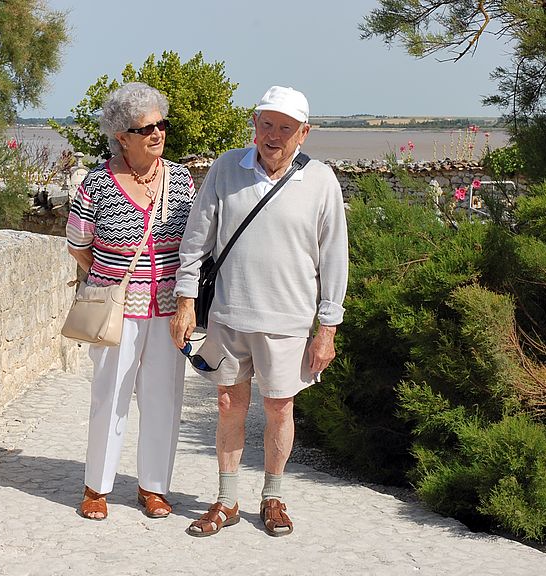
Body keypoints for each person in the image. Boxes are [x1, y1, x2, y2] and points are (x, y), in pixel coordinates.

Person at [170, 85, 349, 537]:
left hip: (288, 322)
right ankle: (227, 500)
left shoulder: (322, 181)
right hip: (229, 317)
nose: (273, 135)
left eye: (285, 128)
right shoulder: (226, 168)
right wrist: (185, 302)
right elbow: (196, 240)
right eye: (266, 123)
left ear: (303, 133)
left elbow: (334, 259)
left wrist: (327, 328)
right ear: (254, 123)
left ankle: (272, 496)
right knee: (229, 404)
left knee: (279, 407)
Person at [66, 82, 196, 520]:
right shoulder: (98, 183)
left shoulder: (181, 179)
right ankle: (97, 488)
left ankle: (153, 488)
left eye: (162, 124)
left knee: (164, 398)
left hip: (168, 308)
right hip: (117, 308)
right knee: (110, 395)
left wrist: (186, 303)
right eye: (146, 128)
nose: (158, 133)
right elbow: (78, 244)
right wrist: (111, 280)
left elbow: (194, 244)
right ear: (121, 136)